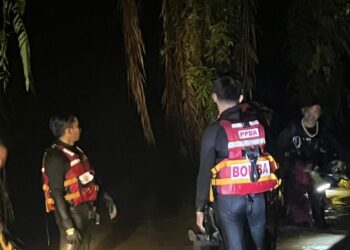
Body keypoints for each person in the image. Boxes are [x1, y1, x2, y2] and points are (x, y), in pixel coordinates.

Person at [195, 75, 279, 250]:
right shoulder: (258, 123)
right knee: (260, 244)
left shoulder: (214, 131)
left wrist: (200, 208)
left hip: (229, 201)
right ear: (241, 98)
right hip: (257, 198)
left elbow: (205, 172)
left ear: (214, 97)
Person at [42, 114, 117, 250]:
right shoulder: (54, 157)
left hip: (86, 211)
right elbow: (56, 193)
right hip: (71, 213)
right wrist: (68, 226)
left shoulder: (76, 151)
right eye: (77, 126)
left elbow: (89, 177)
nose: (80, 129)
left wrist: (105, 196)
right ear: (69, 130)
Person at [277, 100, 346, 228]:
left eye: (316, 112)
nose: (311, 115)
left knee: (318, 198)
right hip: (294, 173)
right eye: (309, 111)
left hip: (315, 171)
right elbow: (279, 147)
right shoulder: (293, 128)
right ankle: (294, 223)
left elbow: (337, 147)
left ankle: (320, 222)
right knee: (293, 207)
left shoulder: (323, 130)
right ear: (304, 111)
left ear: (319, 114)